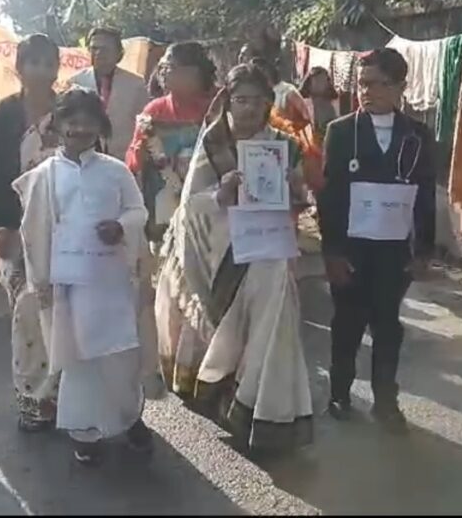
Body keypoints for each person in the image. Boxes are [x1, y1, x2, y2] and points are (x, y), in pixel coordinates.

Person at [155, 63, 314, 454]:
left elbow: (299, 196)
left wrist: (297, 196)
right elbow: (190, 208)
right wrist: (220, 197)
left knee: (274, 321)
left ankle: (259, 406)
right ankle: (225, 389)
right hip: (221, 249)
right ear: (228, 99)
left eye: (257, 101)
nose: (247, 109)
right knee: (231, 325)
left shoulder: (284, 144)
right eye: (240, 99)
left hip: (269, 250)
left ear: (267, 104)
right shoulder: (213, 142)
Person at [12, 89, 153, 466]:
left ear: (101, 126)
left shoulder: (115, 170)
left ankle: (128, 417)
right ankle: (84, 430)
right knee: (78, 358)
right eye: (72, 120)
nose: (80, 128)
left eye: (89, 120)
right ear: (56, 125)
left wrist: (121, 226)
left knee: (120, 352)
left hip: (111, 280)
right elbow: (33, 229)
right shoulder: (44, 176)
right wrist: (39, 279)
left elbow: (139, 211)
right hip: (68, 285)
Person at [315, 48, 437, 433]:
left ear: (400, 86)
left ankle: (387, 401)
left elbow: (426, 195)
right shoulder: (341, 132)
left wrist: (424, 251)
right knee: (347, 323)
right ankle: (340, 394)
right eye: (361, 84)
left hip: (393, 250)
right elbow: (329, 197)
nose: (367, 92)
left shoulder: (417, 136)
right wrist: (331, 252)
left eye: (377, 84)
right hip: (352, 248)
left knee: (388, 326)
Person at [0, 33, 61, 431]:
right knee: (30, 305)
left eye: (49, 63)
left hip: (67, 232)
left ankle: (69, 395)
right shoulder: (2, 116)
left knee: (66, 308)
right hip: (17, 232)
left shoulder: (71, 113)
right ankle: (34, 396)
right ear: (20, 67)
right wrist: (0, 226)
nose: (42, 71)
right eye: (35, 63)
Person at [125, 41, 217, 240]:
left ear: (196, 73)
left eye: (170, 68)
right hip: (165, 212)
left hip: (212, 208)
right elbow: (133, 163)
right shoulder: (154, 111)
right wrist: (141, 148)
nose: (163, 73)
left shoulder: (218, 108)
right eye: (161, 68)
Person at [67, 27, 148, 160]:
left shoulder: (136, 84)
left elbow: (144, 126)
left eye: (104, 49)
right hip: (85, 159)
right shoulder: (76, 82)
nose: (98, 53)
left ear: (118, 53)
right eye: (94, 48)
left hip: (124, 160)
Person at [299, 66, 340, 192]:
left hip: (323, 150)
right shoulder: (302, 102)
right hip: (303, 150)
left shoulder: (330, 106)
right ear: (309, 82)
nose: (319, 84)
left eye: (323, 81)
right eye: (316, 80)